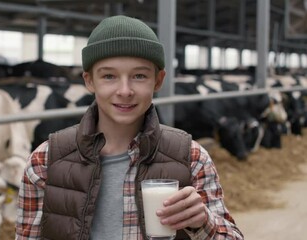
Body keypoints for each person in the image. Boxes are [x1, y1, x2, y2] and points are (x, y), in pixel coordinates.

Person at [15, 15, 244, 240]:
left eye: (139, 76)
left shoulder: (192, 158)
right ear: (89, 81)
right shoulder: (45, 161)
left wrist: (203, 222)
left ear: (158, 80)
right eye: (109, 76)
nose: (125, 90)